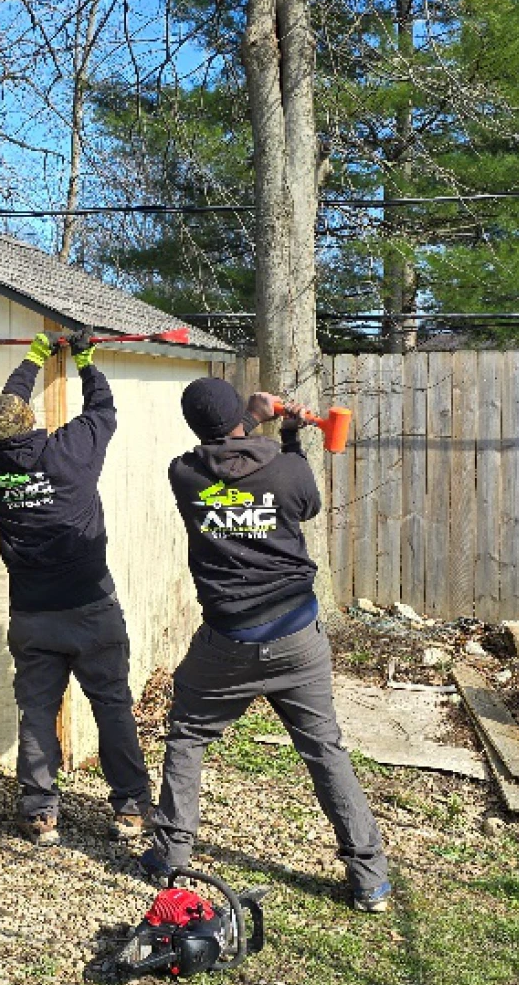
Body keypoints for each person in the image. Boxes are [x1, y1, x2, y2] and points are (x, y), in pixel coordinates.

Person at [141, 375, 393, 912]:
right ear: (241, 413)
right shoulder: (287, 467)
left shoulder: (184, 475)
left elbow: (222, 452)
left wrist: (255, 421)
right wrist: (291, 434)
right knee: (324, 750)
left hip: (228, 641)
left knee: (188, 736)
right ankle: (369, 878)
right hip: (296, 637)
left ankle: (170, 857)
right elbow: (305, 506)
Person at [0, 331, 153, 846]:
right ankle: (130, 810)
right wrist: (85, 361)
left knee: (35, 712)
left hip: (33, 615)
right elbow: (103, 410)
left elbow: (7, 409)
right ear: (33, 423)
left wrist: (32, 358)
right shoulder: (68, 454)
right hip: (91, 608)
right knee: (112, 708)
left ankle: (39, 813)